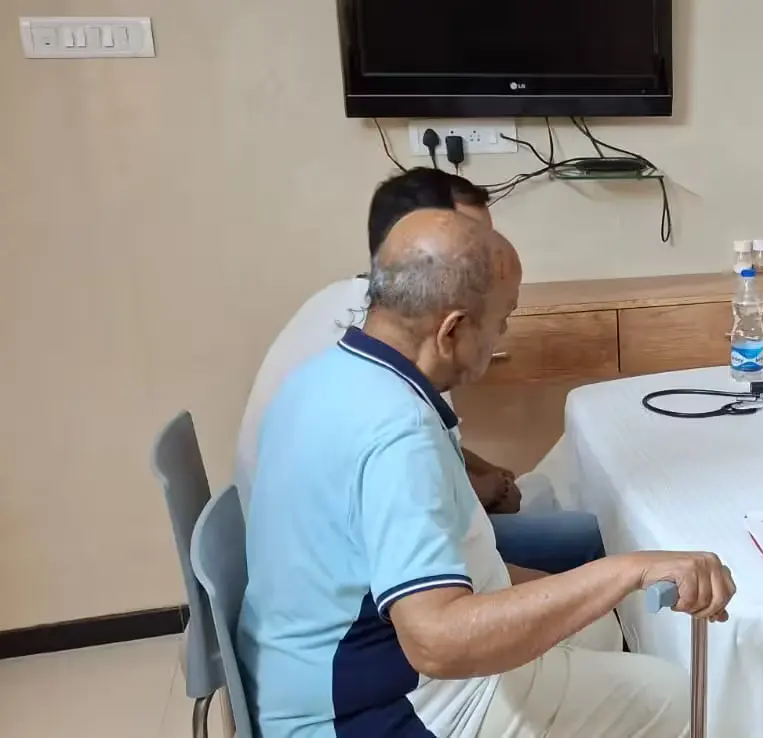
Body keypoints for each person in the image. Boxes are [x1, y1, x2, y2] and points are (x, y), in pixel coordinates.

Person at [238, 209, 736, 738]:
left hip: (313, 672)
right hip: (372, 712)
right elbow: (437, 642)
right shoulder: (399, 433)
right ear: (452, 330)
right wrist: (628, 571)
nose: (503, 333)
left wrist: (595, 591)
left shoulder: (325, 374)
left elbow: (450, 564)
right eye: (501, 320)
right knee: (676, 699)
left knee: (602, 628)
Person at [235, 168, 601, 574]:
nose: (487, 258)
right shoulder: (397, 409)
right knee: (596, 544)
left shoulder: (352, 342)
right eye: (471, 242)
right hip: (335, 566)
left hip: (303, 559)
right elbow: (435, 612)